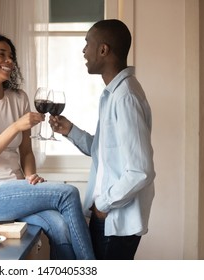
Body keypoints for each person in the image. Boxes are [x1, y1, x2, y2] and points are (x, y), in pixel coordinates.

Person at [0, 26, 94, 260]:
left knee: (60, 226)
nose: (9, 60)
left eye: (11, 56)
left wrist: (30, 177)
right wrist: (15, 126)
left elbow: (26, 152)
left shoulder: (18, 98)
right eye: (2, 54)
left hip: (17, 190)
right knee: (68, 193)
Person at [49, 19, 156, 260]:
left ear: (103, 50)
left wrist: (103, 205)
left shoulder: (125, 97)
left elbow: (140, 170)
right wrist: (70, 131)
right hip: (108, 217)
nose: (84, 51)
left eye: (87, 44)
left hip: (115, 220)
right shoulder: (113, 94)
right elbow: (105, 152)